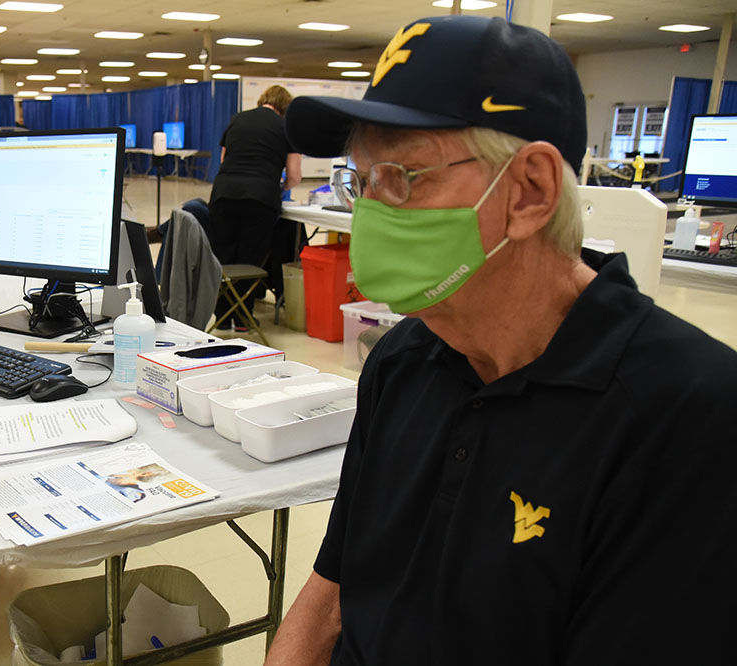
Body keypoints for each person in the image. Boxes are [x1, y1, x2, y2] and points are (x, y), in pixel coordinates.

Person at [267, 15, 737, 666]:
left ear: (531, 190)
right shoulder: (401, 360)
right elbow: (334, 592)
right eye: (361, 180)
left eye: (401, 177)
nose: (368, 213)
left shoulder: (688, 416)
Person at [208, 85, 301, 328]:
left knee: (224, 256)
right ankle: (242, 317)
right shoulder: (287, 127)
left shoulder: (238, 120)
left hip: (223, 193)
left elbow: (223, 160)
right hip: (260, 197)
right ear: (285, 107)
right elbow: (294, 175)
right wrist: (277, 187)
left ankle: (222, 315)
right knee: (249, 258)